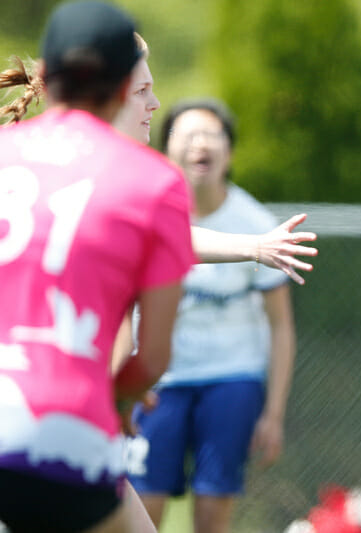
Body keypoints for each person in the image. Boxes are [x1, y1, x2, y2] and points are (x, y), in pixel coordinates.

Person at [0, 2, 195, 532]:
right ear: (120, 84)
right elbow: (151, 359)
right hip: (60, 431)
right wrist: (118, 400)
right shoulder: (151, 181)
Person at [0, 43, 318, 285]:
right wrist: (255, 246)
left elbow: (163, 234)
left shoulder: (44, 155)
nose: (155, 104)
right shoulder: (91, 176)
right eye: (142, 91)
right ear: (106, 96)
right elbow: (160, 237)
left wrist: (257, 246)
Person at [126, 98, 297, 532]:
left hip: (230, 382)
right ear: (166, 150)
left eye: (212, 135)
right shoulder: (146, 215)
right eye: (189, 135)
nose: (201, 145)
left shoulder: (256, 223)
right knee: (141, 511)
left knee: (212, 515)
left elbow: (280, 327)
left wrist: (273, 414)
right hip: (156, 385)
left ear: (230, 152)